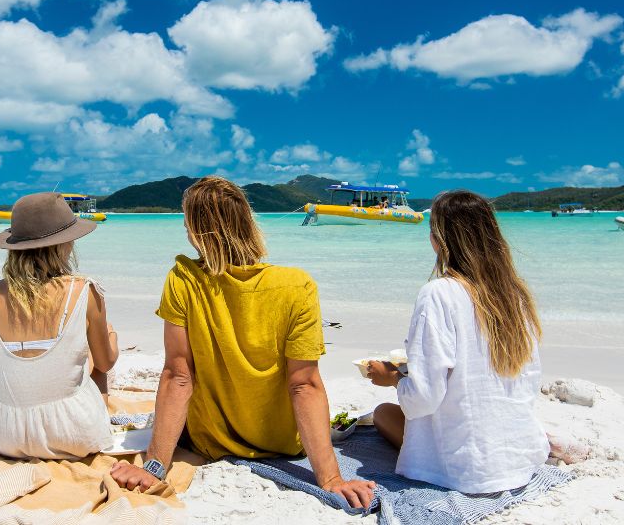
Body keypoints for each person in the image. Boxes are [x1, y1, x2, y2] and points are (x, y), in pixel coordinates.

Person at [111, 176, 375, 509]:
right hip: (283, 443)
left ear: (196, 232)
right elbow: (304, 385)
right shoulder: (297, 286)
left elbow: (178, 376)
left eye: (187, 223)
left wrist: (154, 467)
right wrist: (331, 479)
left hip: (211, 444)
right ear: (248, 223)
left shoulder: (184, 279)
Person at [367, 190, 548, 494]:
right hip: (520, 453)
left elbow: (424, 398)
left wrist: (394, 379)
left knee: (383, 413)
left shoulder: (438, 294)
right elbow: (528, 380)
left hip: (469, 467)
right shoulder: (515, 295)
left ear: (438, 240)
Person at [0, 192, 119, 459]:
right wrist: (112, 336)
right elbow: (106, 362)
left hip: (1, 434)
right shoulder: (84, 290)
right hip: (73, 435)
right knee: (98, 364)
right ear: (64, 244)